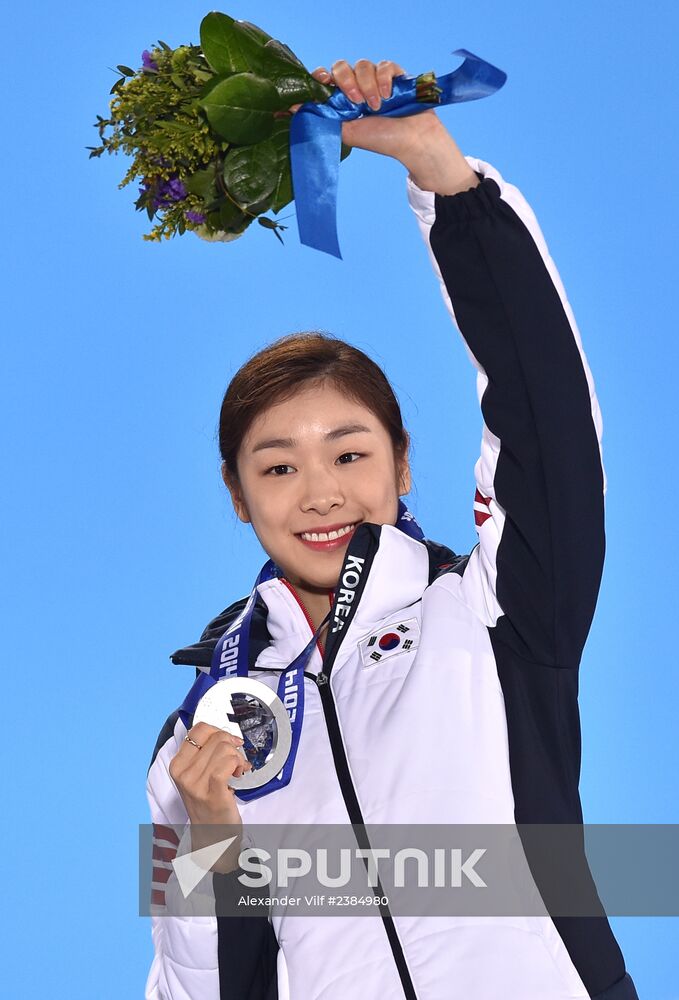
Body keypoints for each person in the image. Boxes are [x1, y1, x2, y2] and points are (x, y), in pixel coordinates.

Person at [145, 56, 639, 1000]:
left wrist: (440, 177)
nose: (319, 494)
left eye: (350, 453)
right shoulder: (199, 728)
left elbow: (549, 421)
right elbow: (196, 987)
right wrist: (212, 837)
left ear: (403, 466)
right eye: (278, 467)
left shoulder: (494, 613)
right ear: (238, 495)